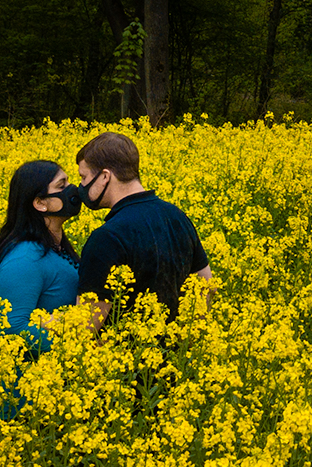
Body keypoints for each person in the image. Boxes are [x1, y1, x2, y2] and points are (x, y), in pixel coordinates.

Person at [0, 160, 82, 420]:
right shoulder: (24, 258)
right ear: (40, 203)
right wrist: (77, 349)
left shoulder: (54, 246)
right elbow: (11, 328)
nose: (72, 190)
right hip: (17, 392)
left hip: (47, 385)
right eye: (62, 185)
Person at [75, 132, 211, 335]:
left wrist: (40, 321)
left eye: (84, 177)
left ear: (105, 176)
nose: (82, 186)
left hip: (122, 362)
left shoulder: (106, 238)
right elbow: (207, 284)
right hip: (173, 359)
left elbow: (87, 324)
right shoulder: (178, 217)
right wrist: (187, 341)